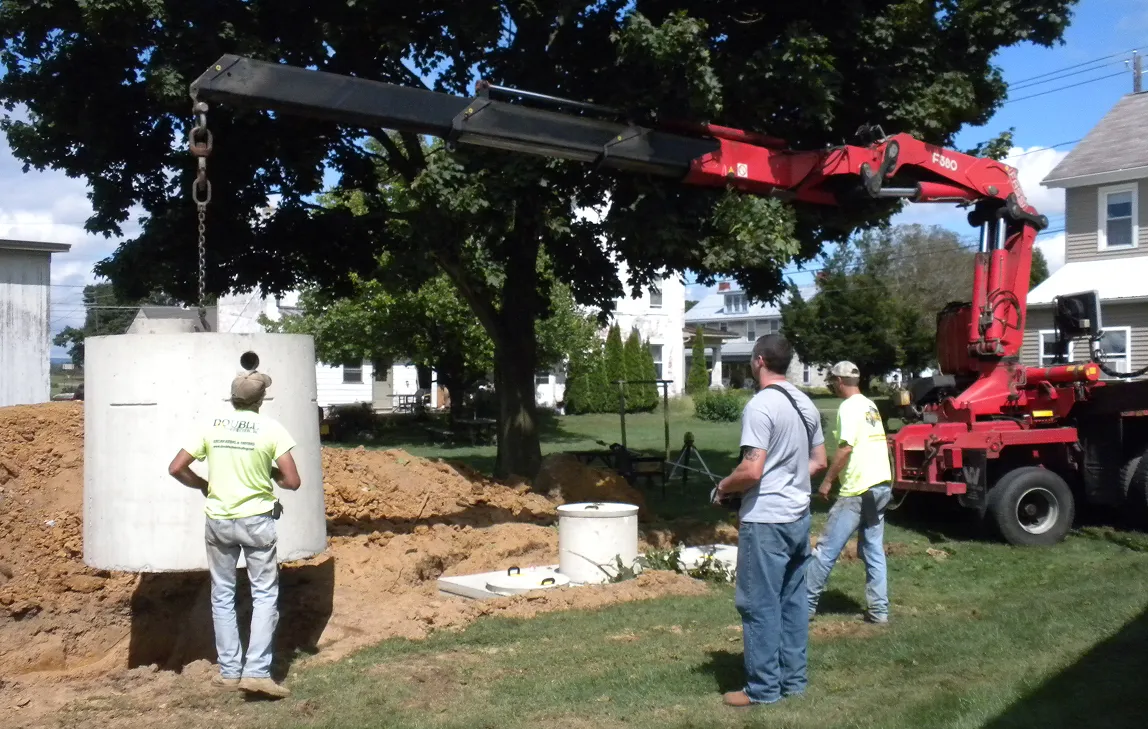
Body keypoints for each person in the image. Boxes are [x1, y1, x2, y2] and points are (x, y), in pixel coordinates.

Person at [168, 371, 301, 698]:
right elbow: (292, 481)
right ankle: (256, 672)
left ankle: (229, 672)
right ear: (260, 400)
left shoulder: (211, 427)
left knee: (222, 594)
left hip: (218, 521)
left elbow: (176, 467)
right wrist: (269, 475)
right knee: (264, 594)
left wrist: (202, 485)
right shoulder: (272, 429)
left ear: (232, 398)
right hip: (256, 521)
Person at [714, 334, 827, 707]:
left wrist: (724, 487)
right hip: (798, 517)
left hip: (766, 521)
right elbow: (819, 462)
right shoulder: (805, 403)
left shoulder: (761, 406)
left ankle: (762, 689)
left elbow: (752, 469)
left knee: (759, 604)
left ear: (759, 360)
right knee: (792, 601)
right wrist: (792, 480)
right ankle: (793, 680)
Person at [806, 361, 894, 625]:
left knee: (826, 549)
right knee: (873, 550)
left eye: (832, 381)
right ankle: (879, 611)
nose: (832, 385)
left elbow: (845, 448)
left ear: (839, 381)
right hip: (881, 485)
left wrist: (827, 481)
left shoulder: (848, 407)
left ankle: (804, 606)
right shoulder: (869, 405)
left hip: (858, 488)